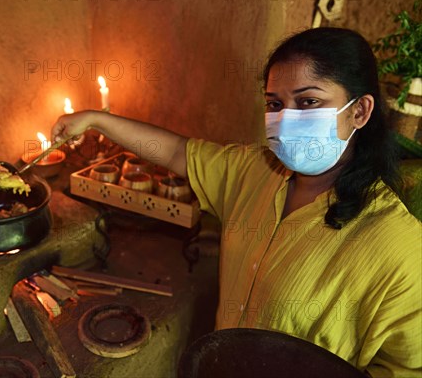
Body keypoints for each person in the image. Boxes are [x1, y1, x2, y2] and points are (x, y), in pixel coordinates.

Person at [51, 28, 421, 377]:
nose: (286, 119)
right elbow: (178, 152)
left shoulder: (397, 246)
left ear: (360, 111)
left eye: (308, 102)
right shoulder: (255, 172)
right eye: (275, 103)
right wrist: (97, 120)